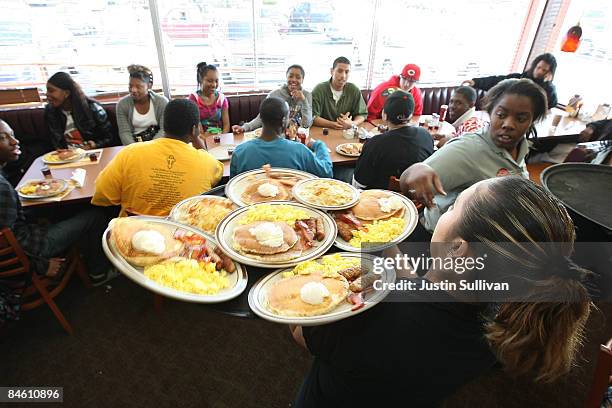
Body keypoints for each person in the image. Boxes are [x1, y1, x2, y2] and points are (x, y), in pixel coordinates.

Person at [292, 176, 592, 407]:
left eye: (453, 207)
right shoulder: (506, 319)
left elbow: (302, 333)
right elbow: (420, 287)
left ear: (457, 249)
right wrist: (383, 242)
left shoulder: (379, 310)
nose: (445, 209)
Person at [401, 78, 548, 232]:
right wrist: (413, 172)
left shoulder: (520, 147)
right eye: (501, 115)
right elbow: (410, 189)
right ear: (490, 112)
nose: (508, 124)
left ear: (532, 120)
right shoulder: (467, 149)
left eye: (521, 119)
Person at [0, 119, 115, 283]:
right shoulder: (2, 188)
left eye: (12, 135)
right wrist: (41, 265)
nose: (15, 141)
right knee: (94, 215)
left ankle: (84, 252)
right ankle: (99, 272)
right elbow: (6, 241)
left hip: (29, 231)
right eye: (3, 138)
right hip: (34, 245)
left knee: (67, 209)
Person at [92, 99, 223, 216]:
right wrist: (196, 138)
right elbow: (216, 172)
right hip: (183, 237)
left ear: (164, 125)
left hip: (134, 235)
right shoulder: (207, 162)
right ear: (194, 129)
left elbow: (102, 195)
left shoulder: (130, 152)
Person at [229, 97, 332, 178]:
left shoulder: (239, 152)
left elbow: (233, 185)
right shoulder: (299, 151)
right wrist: (319, 145)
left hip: (250, 204)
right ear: (284, 121)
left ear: (261, 118)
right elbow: (326, 172)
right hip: (290, 204)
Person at [353, 90, 433, 189]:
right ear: (411, 116)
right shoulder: (426, 135)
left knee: (343, 172)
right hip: (416, 201)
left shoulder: (375, 143)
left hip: (381, 201)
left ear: (384, 115)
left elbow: (359, 184)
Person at [232, 65, 312, 133]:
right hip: (277, 136)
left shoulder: (307, 95)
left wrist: (303, 100)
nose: (294, 80)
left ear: (302, 79)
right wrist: (244, 127)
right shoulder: (274, 95)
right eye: (290, 76)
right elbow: (261, 118)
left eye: (298, 77)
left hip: (297, 137)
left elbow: (306, 124)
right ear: (286, 77)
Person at [44, 71, 114, 150]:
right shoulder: (50, 111)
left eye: (51, 91)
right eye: (47, 90)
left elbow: (109, 138)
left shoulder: (93, 108)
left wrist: (94, 145)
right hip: (65, 157)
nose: (47, 94)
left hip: (90, 154)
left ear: (66, 93)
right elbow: (54, 141)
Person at [463, 53, 558, 109]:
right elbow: (497, 80)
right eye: (538, 67)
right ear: (534, 66)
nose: (540, 71)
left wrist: (547, 84)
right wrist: (475, 82)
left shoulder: (548, 87)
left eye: (544, 70)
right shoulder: (519, 78)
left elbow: (551, 104)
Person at [116, 64, 169, 145]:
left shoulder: (162, 102)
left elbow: (164, 130)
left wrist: (149, 147)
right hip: (133, 146)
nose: (133, 90)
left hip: (157, 144)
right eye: (130, 86)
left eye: (138, 86)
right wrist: (136, 149)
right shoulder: (122, 104)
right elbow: (124, 133)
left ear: (149, 86)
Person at [311, 57, 367, 130]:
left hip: (346, 133)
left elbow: (362, 114)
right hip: (324, 132)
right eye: (339, 71)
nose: (343, 76)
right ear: (332, 71)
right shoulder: (319, 89)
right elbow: (313, 117)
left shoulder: (354, 90)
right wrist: (333, 124)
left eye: (346, 72)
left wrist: (352, 123)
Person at [188, 62, 230, 133]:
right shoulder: (193, 98)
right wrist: (206, 140)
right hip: (201, 138)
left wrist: (221, 138)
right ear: (200, 80)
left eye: (216, 81)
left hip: (219, 137)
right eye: (210, 81)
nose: (214, 85)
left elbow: (226, 125)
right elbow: (197, 128)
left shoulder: (222, 98)